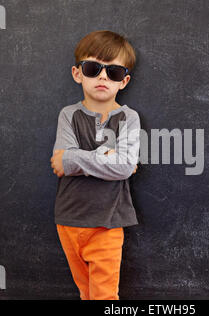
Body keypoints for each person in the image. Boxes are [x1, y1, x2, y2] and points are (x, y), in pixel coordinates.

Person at [50, 30, 141, 300]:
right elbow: (59, 162)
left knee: (104, 295)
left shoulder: (129, 118)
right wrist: (107, 157)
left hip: (108, 223)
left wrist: (74, 158)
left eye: (112, 72)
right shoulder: (68, 115)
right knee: (86, 293)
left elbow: (123, 166)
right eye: (93, 68)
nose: (102, 76)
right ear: (78, 73)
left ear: (123, 81)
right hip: (68, 220)